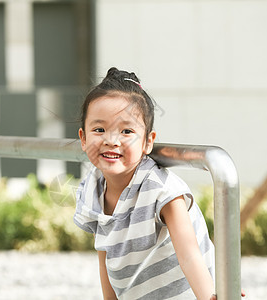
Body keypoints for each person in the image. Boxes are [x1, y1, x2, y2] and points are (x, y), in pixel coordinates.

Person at [73, 67, 237, 300]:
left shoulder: (161, 189)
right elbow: (104, 256)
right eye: (99, 129)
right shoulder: (91, 191)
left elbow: (189, 253)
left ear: (148, 142)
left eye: (126, 131)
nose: (111, 140)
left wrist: (209, 296)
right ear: (83, 138)